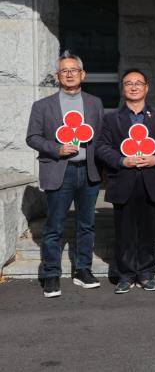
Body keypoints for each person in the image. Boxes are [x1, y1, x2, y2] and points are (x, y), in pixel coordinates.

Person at [26, 52, 105, 298]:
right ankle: (51, 274)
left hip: (88, 172)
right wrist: (56, 148)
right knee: (54, 226)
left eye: (74, 70)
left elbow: (101, 136)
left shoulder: (94, 103)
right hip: (59, 170)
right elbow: (33, 137)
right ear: (57, 76)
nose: (69, 74)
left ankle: (83, 270)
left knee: (86, 225)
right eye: (64, 71)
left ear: (83, 74)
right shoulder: (42, 106)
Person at [96, 69, 155, 294]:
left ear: (147, 88)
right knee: (124, 232)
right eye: (129, 83)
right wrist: (122, 160)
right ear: (123, 88)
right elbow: (101, 147)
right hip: (123, 180)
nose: (134, 87)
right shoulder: (111, 118)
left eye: (138, 83)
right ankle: (125, 275)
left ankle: (147, 274)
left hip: (151, 181)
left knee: (149, 231)